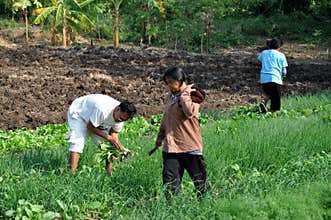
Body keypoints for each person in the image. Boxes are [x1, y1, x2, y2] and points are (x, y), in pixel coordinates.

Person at [154, 67, 208, 199]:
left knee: (200, 181)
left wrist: (185, 95)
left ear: (179, 80)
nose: (168, 85)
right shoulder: (169, 97)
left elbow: (189, 112)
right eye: (166, 82)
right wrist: (160, 137)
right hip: (171, 147)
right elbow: (166, 118)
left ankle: (206, 205)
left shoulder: (193, 94)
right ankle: (172, 209)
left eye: (171, 82)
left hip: (189, 146)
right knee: (170, 183)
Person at [66, 94, 137, 174]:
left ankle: (108, 174)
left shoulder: (121, 117)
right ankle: (71, 174)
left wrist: (118, 147)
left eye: (123, 120)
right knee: (78, 142)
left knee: (109, 146)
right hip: (79, 113)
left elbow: (113, 132)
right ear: (117, 109)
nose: (120, 121)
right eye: (120, 118)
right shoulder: (103, 110)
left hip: (95, 119)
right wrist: (109, 138)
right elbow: (90, 127)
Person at [258, 38, 288, 114]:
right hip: (275, 78)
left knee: (268, 92)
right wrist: (283, 76)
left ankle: (264, 101)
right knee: (276, 97)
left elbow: (259, 60)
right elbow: (284, 70)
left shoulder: (264, 53)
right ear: (279, 47)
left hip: (264, 78)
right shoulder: (281, 55)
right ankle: (273, 113)